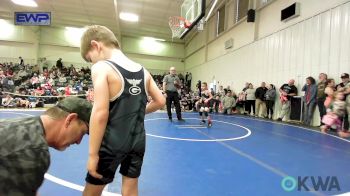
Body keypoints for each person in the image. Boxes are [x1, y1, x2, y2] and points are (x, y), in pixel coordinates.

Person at [80, 25, 165, 196]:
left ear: (96, 46)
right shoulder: (143, 71)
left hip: (112, 143)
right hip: (138, 141)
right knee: (130, 189)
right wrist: (139, 112)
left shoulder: (101, 68)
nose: (93, 63)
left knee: (91, 192)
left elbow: (100, 113)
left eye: (91, 58)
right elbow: (160, 101)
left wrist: (92, 154)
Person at [0, 97, 92, 195]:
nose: (79, 141)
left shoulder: (17, 124)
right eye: (82, 132)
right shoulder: (34, 151)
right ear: (70, 119)